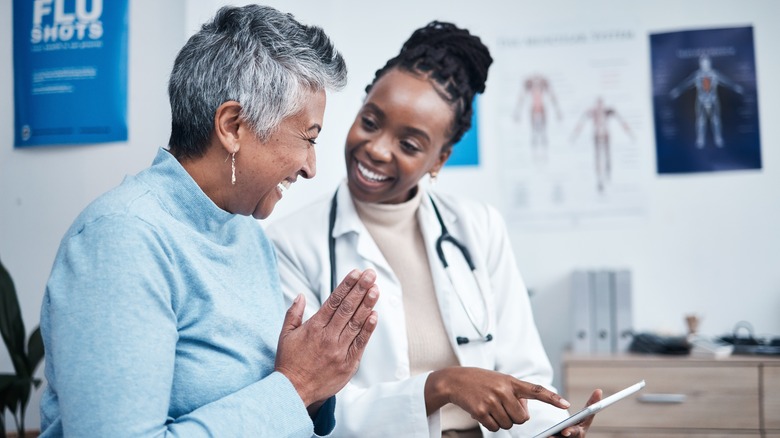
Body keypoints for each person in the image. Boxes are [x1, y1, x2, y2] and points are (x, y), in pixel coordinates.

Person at [39, 5, 380, 437]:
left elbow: (267, 399)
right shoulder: (121, 239)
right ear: (233, 126)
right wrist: (296, 387)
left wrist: (316, 378)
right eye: (308, 139)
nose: (311, 167)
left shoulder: (245, 232)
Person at [267, 21, 601, 437]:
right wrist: (440, 387)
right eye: (370, 121)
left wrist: (553, 426)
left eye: (409, 145)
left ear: (439, 160)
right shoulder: (290, 244)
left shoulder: (479, 227)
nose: (377, 148)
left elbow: (523, 372)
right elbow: (310, 406)